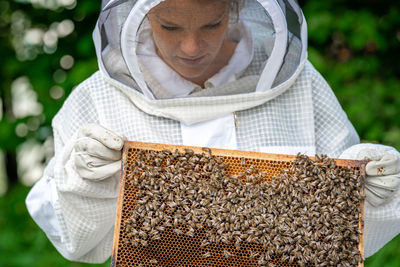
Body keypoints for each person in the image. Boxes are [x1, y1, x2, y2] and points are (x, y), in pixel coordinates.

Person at [26, 0, 400, 263]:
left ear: (236, 9)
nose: (191, 47)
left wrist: (375, 193)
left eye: (211, 24)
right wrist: (86, 183)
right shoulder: (98, 98)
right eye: (169, 26)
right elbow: (73, 239)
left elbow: (349, 236)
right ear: (140, 17)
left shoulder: (300, 86)